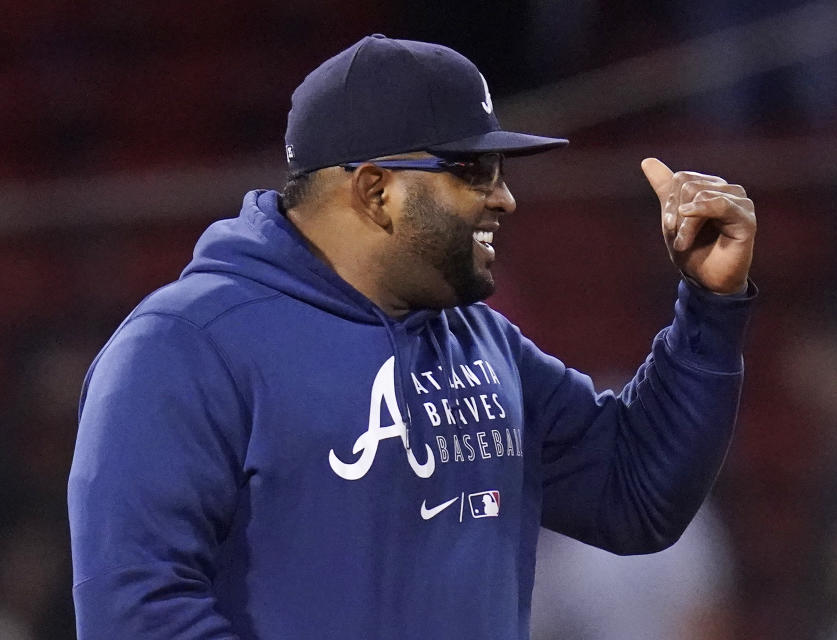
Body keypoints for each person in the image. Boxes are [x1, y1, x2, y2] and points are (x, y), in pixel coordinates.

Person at [68, 34, 757, 639]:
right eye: (470, 170)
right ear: (374, 191)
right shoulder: (185, 347)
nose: (503, 197)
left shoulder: (480, 342)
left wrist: (710, 303)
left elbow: (634, 494)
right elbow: (136, 611)